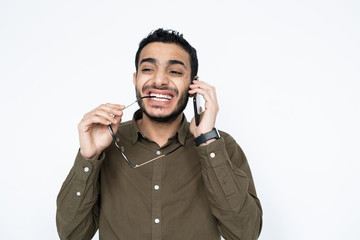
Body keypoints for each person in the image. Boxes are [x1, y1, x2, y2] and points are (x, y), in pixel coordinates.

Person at [56, 28, 262, 240]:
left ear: (194, 84)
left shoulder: (221, 146)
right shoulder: (105, 143)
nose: (160, 80)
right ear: (136, 78)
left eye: (175, 72)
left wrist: (207, 142)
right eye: (148, 69)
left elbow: (245, 234)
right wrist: (88, 158)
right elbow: (71, 235)